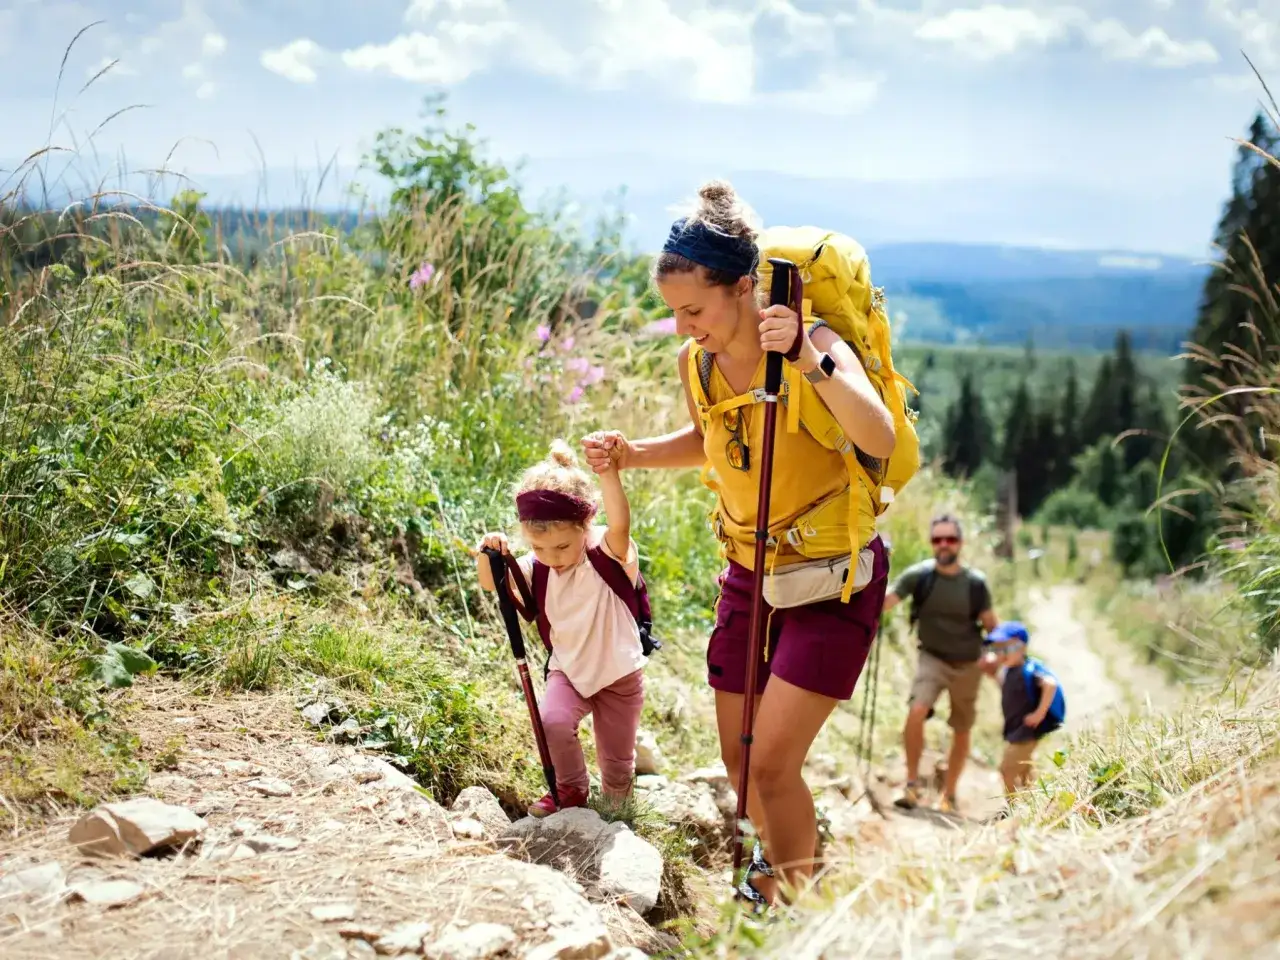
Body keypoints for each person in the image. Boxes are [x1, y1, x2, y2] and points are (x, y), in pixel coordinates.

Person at [581, 180, 894, 909]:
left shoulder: (814, 343)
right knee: (741, 761)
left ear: (746, 288)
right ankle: (781, 873)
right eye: (675, 314)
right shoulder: (699, 362)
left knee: (775, 764)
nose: (685, 327)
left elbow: (875, 434)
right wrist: (634, 453)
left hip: (831, 578)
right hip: (749, 574)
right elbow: (716, 439)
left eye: (695, 310)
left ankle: (794, 910)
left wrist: (812, 366)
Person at [475, 439, 647, 818]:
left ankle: (619, 808)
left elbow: (620, 521)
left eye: (563, 547)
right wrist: (487, 553)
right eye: (539, 547)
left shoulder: (606, 550)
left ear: (586, 526)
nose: (553, 558)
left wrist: (609, 473)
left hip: (619, 673)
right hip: (568, 668)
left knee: (617, 760)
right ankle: (571, 791)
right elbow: (492, 584)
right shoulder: (537, 567)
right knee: (553, 721)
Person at [881, 514, 997, 813]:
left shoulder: (975, 583)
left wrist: (1001, 657)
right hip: (931, 657)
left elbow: (992, 626)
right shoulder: (919, 576)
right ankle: (911, 785)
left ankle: (949, 793)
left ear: (960, 543)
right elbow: (886, 601)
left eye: (950, 539)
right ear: (931, 543)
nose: (944, 545)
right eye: (937, 539)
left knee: (961, 728)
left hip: (968, 664)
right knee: (917, 710)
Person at [980, 621, 1063, 797]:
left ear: (1022, 647)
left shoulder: (1029, 670)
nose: (1001, 654)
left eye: (1007, 648)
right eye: (998, 649)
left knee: (1006, 770)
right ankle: (1033, 802)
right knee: (1025, 770)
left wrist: (1039, 714)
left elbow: (1050, 684)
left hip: (1027, 730)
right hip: (1016, 728)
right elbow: (1009, 690)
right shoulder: (1009, 672)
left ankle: (1014, 807)